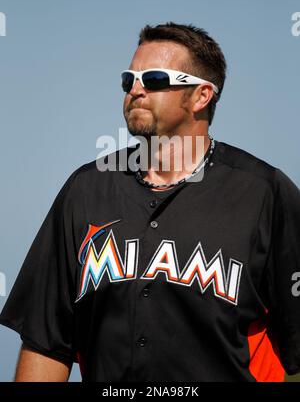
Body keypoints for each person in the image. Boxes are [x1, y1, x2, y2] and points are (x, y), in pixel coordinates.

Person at [1, 22, 300, 382]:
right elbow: (47, 341)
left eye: (155, 79)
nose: (136, 90)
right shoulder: (85, 190)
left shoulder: (264, 193)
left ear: (202, 95)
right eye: (129, 80)